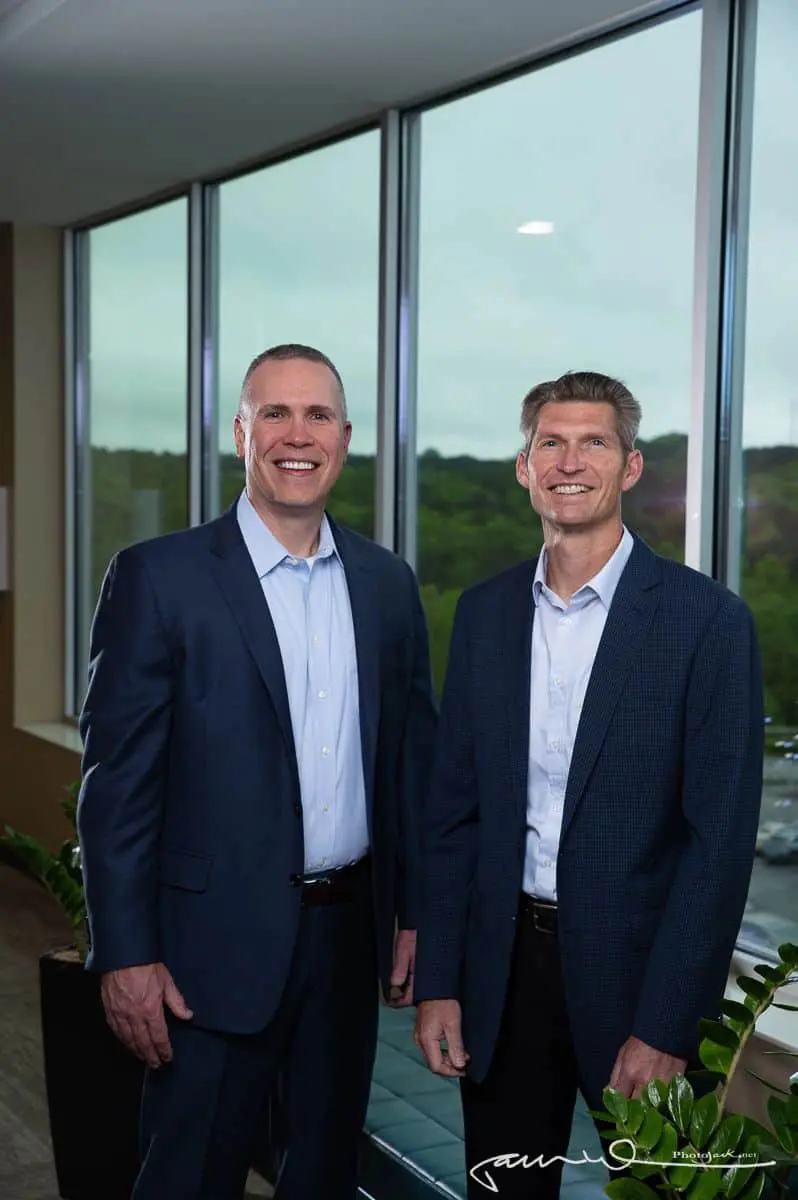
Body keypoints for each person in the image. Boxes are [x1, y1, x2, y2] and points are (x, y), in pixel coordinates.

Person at [77, 343, 437, 1200]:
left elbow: (409, 770)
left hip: (347, 942)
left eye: (317, 415)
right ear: (241, 432)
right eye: (274, 412)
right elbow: (117, 787)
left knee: (322, 1174)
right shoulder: (159, 579)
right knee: (188, 1176)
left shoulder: (388, 586)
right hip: (206, 955)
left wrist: (417, 914)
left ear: (345, 439)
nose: (296, 434)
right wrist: (125, 953)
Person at [413, 370, 764, 1199]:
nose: (571, 461)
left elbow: (718, 846)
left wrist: (668, 1024)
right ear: (524, 467)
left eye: (594, 442)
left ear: (630, 468)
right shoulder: (485, 614)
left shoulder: (707, 622)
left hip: (642, 986)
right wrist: (441, 983)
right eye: (551, 443)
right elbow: (452, 815)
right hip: (504, 980)